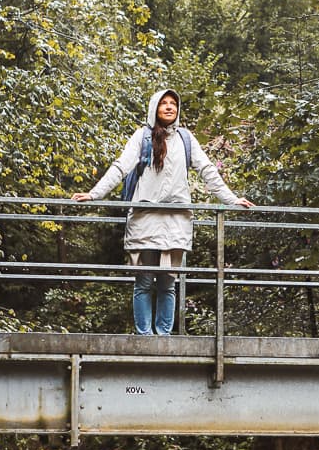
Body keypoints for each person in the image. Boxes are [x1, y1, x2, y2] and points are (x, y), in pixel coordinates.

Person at [72, 89, 253, 335]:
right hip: (145, 216)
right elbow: (120, 167)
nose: (169, 107)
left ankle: (164, 336)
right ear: (154, 108)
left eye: (173, 103)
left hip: (175, 218)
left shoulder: (185, 139)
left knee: (168, 281)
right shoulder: (142, 137)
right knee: (144, 281)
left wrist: (231, 200)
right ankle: (145, 337)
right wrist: (94, 194)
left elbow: (207, 170)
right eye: (164, 103)